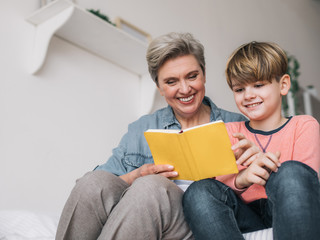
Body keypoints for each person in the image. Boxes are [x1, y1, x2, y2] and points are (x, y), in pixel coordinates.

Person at [55, 32, 247, 240]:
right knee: (92, 182)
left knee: (152, 187)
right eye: (171, 82)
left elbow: (257, 200)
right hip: (143, 218)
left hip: (200, 220)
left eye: (192, 76)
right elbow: (96, 191)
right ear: (159, 88)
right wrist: (136, 175)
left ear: (204, 74)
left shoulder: (236, 124)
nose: (185, 89)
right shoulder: (142, 129)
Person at [183, 41, 320, 240]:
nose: (248, 95)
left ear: (283, 85)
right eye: (239, 90)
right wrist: (243, 178)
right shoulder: (228, 131)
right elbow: (217, 187)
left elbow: (305, 183)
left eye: (258, 85)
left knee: (291, 172)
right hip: (243, 215)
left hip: (289, 210)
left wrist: (266, 166)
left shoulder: (304, 125)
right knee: (199, 191)